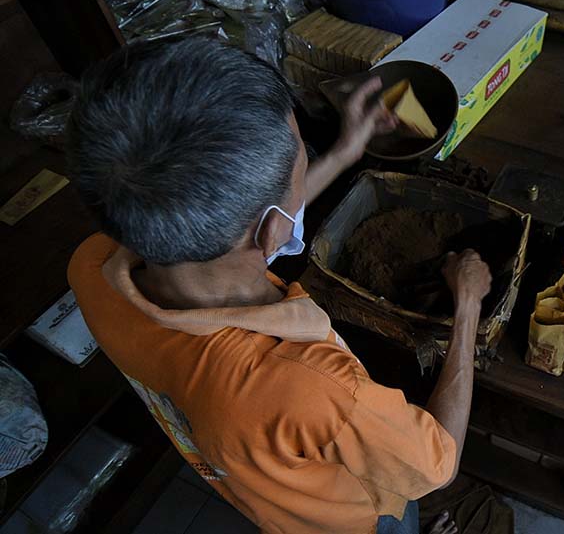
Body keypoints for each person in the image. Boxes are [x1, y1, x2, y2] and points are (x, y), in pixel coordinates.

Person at [66, 38, 491, 534]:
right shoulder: (316, 389)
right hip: (353, 519)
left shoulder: (92, 264)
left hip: (264, 492)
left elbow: (236, 233)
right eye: (300, 165)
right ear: (271, 230)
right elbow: (440, 464)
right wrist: (468, 304)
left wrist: (342, 153)